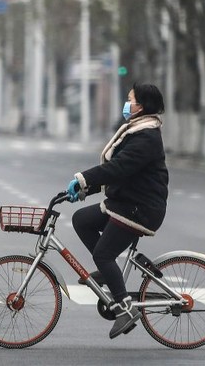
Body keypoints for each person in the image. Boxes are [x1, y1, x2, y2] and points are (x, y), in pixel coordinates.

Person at [66, 83, 169, 339]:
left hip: (140, 209)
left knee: (103, 253)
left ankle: (125, 309)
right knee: (82, 220)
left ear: (140, 107)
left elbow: (119, 169)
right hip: (126, 202)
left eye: (129, 99)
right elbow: (119, 175)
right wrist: (85, 190)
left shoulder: (146, 138)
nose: (126, 103)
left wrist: (82, 179)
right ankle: (107, 273)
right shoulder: (137, 131)